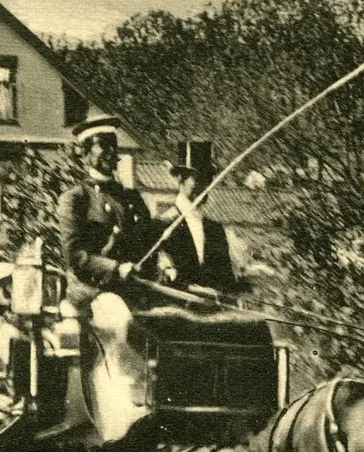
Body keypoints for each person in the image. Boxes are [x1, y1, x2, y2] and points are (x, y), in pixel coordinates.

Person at [56, 114, 155, 310]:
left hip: (132, 295)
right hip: (90, 298)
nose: (110, 152)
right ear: (85, 153)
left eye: (113, 145)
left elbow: (149, 239)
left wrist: (163, 263)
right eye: (102, 145)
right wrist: (115, 268)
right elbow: (75, 256)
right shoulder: (75, 199)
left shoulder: (131, 198)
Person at [158, 140, 242, 294]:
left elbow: (227, 283)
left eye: (208, 179)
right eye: (198, 179)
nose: (204, 186)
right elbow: (158, 275)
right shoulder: (164, 223)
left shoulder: (215, 230)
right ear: (180, 179)